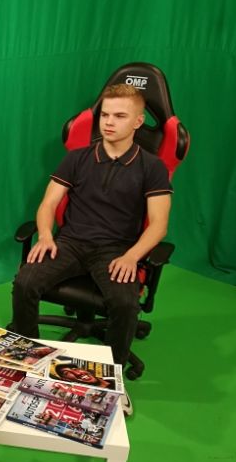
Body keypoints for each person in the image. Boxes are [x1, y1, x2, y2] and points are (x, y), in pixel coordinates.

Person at [10, 84, 173, 415]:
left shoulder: (151, 167)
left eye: (120, 116)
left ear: (138, 121)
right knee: (25, 282)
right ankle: (29, 360)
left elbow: (158, 225)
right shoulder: (77, 158)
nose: (109, 122)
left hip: (116, 250)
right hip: (71, 242)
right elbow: (48, 204)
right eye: (105, 115)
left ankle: (112, 382)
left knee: (125, 303)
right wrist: (46, 235)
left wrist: (132, 256)